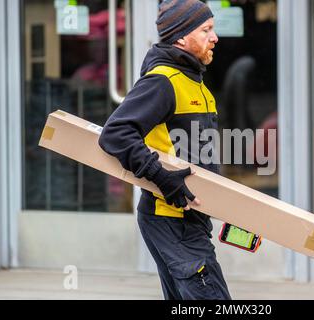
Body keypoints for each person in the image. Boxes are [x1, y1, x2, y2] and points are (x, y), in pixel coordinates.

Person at [98, 0, 231, 300]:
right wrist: (163, 177)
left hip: (190, 219)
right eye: (206, 30)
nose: (215, 37)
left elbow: (201, 156)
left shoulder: (195, 83)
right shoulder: (162, 81)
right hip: (170, 217)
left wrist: (229, 204)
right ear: (182, 37)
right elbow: (115, 133)